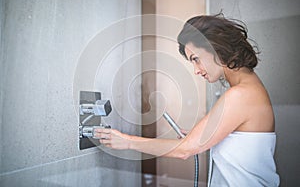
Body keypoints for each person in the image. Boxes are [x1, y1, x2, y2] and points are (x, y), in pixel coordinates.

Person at [94, 13, 280, 187]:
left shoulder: (241, 95)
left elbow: (185, 150)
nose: (196, 70)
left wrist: (127, 141)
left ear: (215, 47)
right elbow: (242, 147)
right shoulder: (249, 89)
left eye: (196, 59)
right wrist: (199, 136)